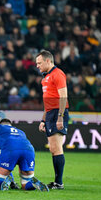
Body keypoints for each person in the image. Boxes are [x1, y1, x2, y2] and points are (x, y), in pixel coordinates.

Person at [36, 50, 69, 190]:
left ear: (48, 61)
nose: (37, 66)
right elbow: (47, 101)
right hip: (50, 114)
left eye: (39, 63)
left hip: (57, 113)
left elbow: (63, 97)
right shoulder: (45, 78)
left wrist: (60, 117)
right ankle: (57, 182)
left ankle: (59, 183)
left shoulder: (58, 74)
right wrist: (43, 120)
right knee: (53, 149)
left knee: (56, 148)